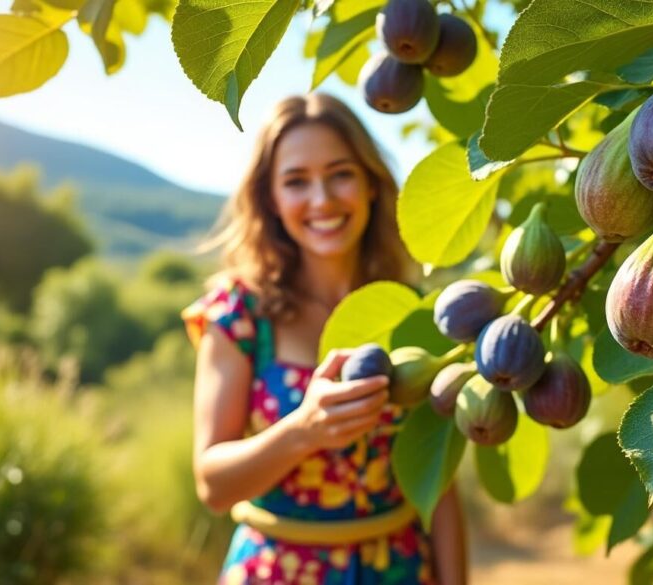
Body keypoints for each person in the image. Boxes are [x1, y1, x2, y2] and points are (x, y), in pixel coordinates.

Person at [181, 93, 468, 585]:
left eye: (340, 173)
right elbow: (213, 485)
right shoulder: (240, 314)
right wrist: (303, 430)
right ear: (271, 198)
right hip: (276, 572)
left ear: (371, 184)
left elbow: (438, 483)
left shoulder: (415, 313)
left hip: (397, 570)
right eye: (296, 181)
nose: (322, 200)